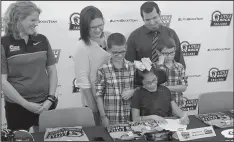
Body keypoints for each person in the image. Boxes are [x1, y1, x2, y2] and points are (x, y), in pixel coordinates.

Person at [1, 1, 58, 131]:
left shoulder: (42, 40)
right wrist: (25, 104)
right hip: (17, 107)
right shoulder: (3, 43)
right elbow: (2, 81)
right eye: (33, 20)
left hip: (46, 103)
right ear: (18, 18)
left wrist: (50, 98)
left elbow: (52, 70)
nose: (36, 24)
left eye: (37, 20)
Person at [74, 6, 111, 125]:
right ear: (85, 27)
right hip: (94, 98)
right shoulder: (82, 46)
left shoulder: (110, 36)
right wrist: (94, 108)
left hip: (113, 97)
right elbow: (83, 80)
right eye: (93, 27)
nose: (98, 30)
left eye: (100, 25)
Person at [125, 1, 185, 68]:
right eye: (147, 20)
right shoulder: (134, 36)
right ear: (142, 18)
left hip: (168, 77)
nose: (152, 23)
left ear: (159, 14)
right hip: (144, 78)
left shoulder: (171, 34)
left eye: (154, 18)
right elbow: (129, 63)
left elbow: (179, 61)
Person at [95, 33, 136, 126]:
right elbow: (99, 95)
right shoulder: (102, 70)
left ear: (126, 48)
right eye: (115, 53)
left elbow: (141, 88)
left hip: (130, 118)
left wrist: (133, 91)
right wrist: (103, 117)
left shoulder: (133, 67)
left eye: (123, 52)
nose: (120, 55)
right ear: (108, 50)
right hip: (110, 118)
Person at [153, 37, 188, 107]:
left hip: (177, 104)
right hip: (159, 106)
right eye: (165, 53)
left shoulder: (180, 67)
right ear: (158, 52)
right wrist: (160, 65)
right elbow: (154, 87)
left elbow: (183, 87)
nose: (169, 56)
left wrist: (165, 88)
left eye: (172, 52)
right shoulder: (153, 67)